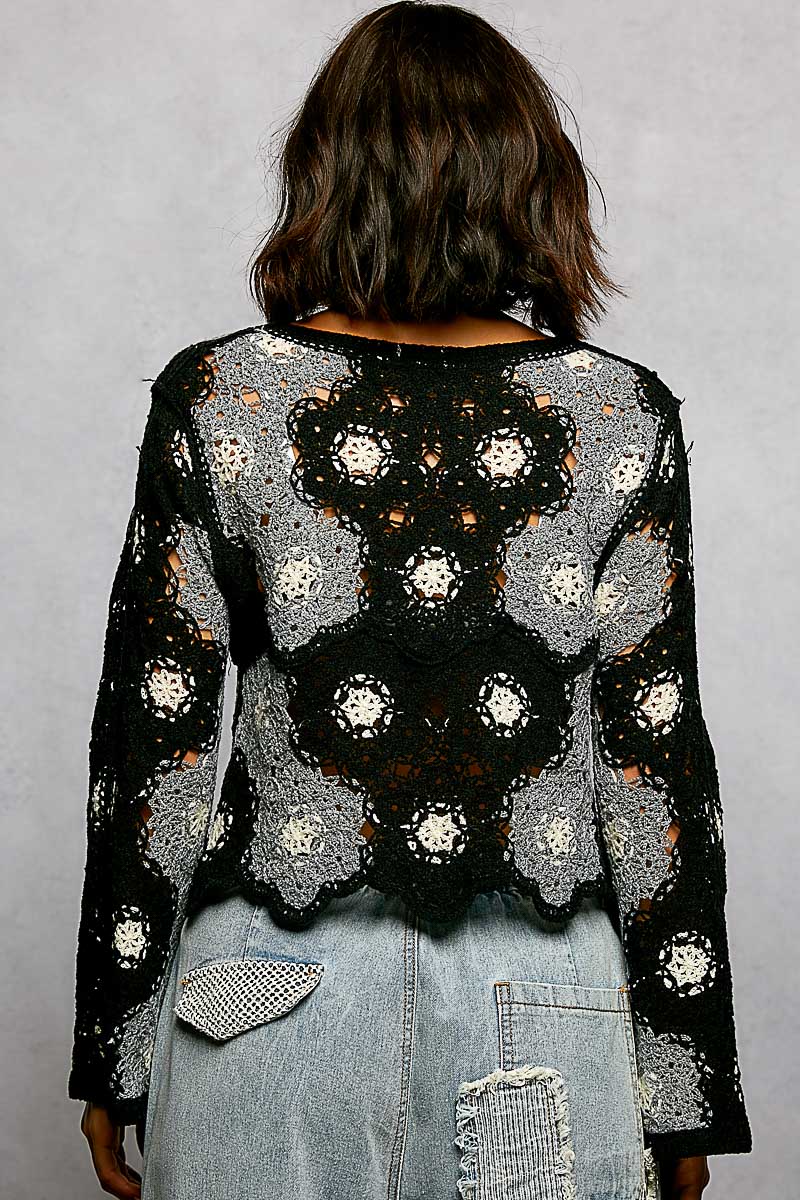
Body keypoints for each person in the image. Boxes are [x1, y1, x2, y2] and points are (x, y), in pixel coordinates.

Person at [69, 4, 752, 1198]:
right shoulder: (614, 415)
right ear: (528, 177)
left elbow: (152, 748)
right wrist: (684, 1081)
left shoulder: (223, 397)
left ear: (324, 169)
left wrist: (114, 1048)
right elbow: (652, 767)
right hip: (542, 1002)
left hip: (261, 1005)